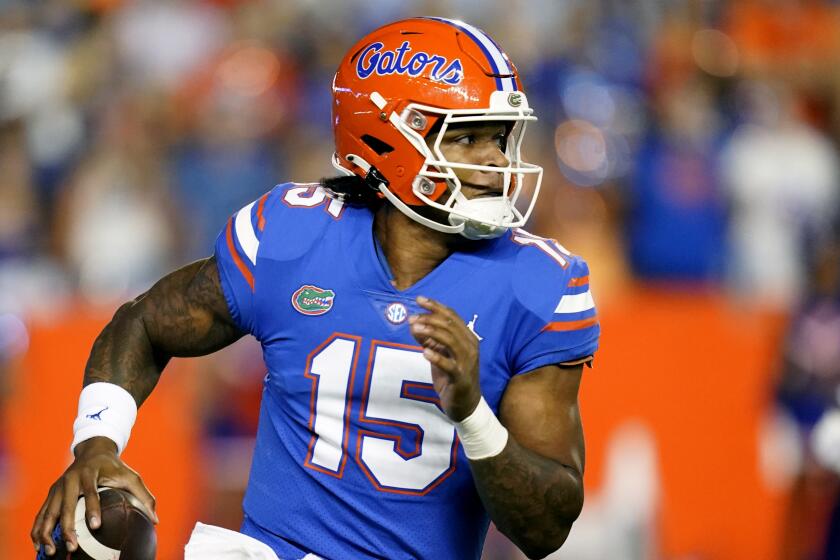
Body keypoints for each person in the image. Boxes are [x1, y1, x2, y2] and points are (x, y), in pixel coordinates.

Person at [31, 17, 600, 560]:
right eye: (469, 138)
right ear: (386, 140)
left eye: (499, 138)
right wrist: (98, 444)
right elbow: (143, 323)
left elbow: (546, 530)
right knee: (92, 532)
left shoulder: (538, 284)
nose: (496, 161)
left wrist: (473, 414)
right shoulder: (293, 236)